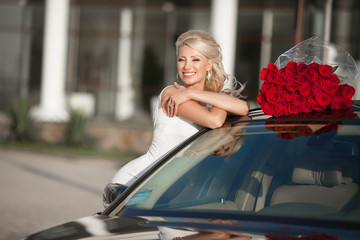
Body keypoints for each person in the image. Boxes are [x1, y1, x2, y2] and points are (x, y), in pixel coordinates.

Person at [103, 30, 249, 207]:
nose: (187, 66)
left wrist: (192, 92)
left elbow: (243, 108)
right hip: (137, 181)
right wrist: (212, 97)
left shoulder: (199, 99)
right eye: (182, 59)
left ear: (209, 64)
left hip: (170, 189)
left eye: (195, 59)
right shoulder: (171, 93)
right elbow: (215, 121)